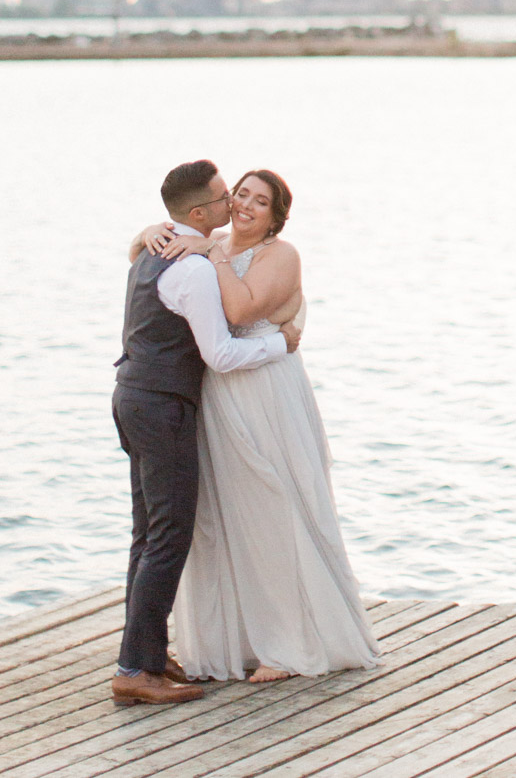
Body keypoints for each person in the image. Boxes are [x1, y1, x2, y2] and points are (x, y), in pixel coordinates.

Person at [129, 167, 380, 683]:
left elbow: (240, 307)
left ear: (275, 218)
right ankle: (242, 637)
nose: (243, 204)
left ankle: (289, 647)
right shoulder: (210, 242)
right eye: (238, 194)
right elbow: (148, 252)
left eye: (258, 202)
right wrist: (149, 232)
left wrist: (211, 255)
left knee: (275, 508)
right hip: (218, 393)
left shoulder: (277, 256)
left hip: (267, 391)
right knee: (228, 517)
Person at [110, 159, 301, 708]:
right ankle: (132, 670)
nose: (231, 206)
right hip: (163, 405)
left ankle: (143, 653)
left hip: (133, 396)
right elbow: (219, 353)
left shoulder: (156, 249)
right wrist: (278, 346)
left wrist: (151, 229)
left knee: (147, 535)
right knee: (168, 538)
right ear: (199, 212)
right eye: (223, 198)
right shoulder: (192, 268)